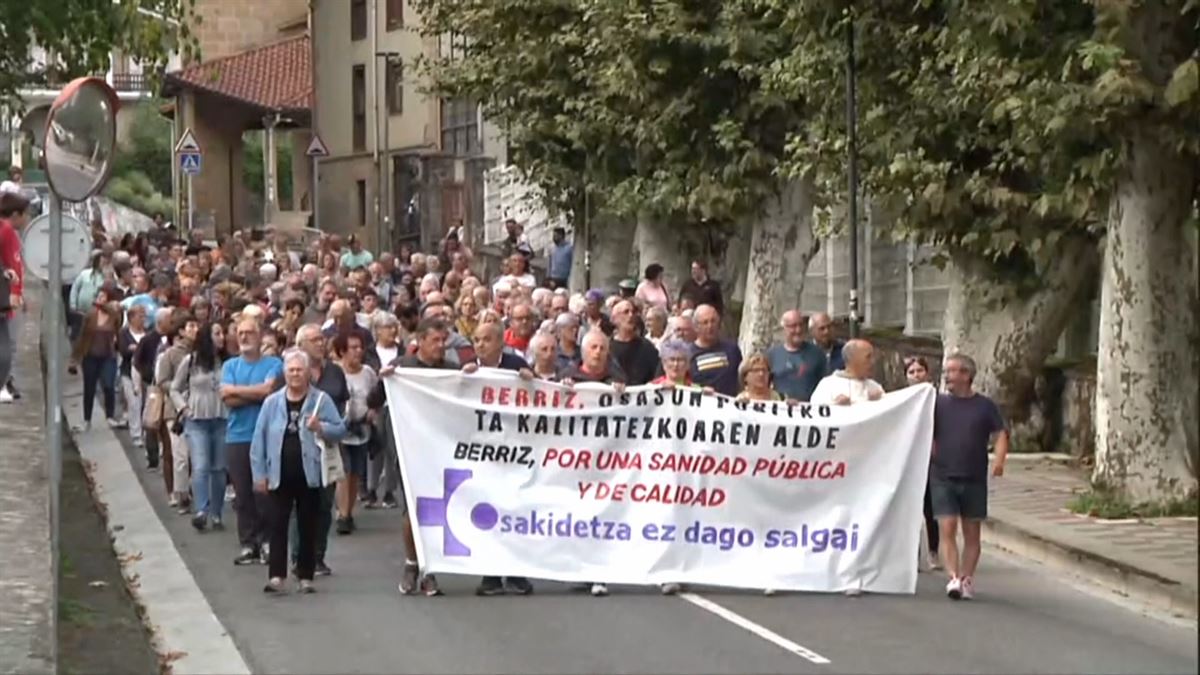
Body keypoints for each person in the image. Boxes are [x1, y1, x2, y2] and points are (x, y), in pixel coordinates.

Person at [251, 348, 347, 594]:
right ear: (285, 373)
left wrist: (321, 427)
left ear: (307, 374)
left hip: (310, 473)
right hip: (279, 473)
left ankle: (306, 575)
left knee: (308, 525)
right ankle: (276, 576)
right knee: (277, 524)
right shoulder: (272, 402)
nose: (295, 374)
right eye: (291, 370)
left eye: (299, 370)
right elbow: (259, 440)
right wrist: (259, 474)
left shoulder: (321, 401)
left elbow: (340, 430)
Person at [379, 318, 457, 597]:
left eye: (443, 341)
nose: (441, 346)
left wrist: (471, 377)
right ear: (420, 341)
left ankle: (430, 568)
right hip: (409, 448)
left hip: (441, 449)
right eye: (435, 340)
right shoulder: (403, 367)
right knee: (412, 510)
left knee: (438, 510)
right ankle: (412, 563)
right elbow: (379, 401)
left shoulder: (452, 370)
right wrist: (384, 378)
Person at [462, 321, 536, 596]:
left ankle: (516, 573)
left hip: (516, 452)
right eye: (476, 340)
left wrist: (531, 378)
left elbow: (542, 394)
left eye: (486, 340)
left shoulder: (515, 365)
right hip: (484, 454)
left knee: (514, 511)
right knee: (487, 511)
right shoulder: (470, 367)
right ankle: (490, 575)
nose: (480, 345)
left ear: (499, 343)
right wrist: (462, 378)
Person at [932, 353, 1008, 601]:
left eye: (952, 371)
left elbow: (999, 434)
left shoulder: (985, 406)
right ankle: (953, 577)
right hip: (942, 474)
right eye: (946, 372)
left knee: (971, 531)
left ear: (966, 375)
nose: (947, 376)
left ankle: (967, 578)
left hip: (973, 476)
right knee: (947, 526)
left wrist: (999, 460)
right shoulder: (937, 404)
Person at [560, 330, 626, 597]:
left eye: (602, 348)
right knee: (577, 515)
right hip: (573, 462)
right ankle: (580, 568)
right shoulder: (567, 377)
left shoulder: (618, 380)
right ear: (584, 351)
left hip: (606, 463)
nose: (598, 352)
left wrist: (623, 392)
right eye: (593, 347)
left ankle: (599, 572)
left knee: (602, 514)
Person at [221, 318, 285, 566]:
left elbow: (269, 392)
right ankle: (248, 543)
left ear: (260, 337)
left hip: (267, 436)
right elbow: (227, 398)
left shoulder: (274, 363)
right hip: (237, 436)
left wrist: (239, 392)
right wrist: (254, 394)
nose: (245, 337)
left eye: (250, 333)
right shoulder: (230, 365)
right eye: (241, 333)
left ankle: (268, 540)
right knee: (243, 493)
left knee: (266, 492)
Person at [292, 324, 348, 576]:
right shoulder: (292, 373)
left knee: (324, 505)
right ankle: (298, 556)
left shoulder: (335, 372)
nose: (320, 343)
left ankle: (318, 556)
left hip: (328, 447)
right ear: (301, 344)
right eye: (314, 339)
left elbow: (343, 402)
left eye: (322, 339)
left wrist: (329, 426)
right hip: (300, 448)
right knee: (300, 504)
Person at [171, 322, 229, 531]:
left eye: (223, 333)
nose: (222, 337)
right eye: (217, 333)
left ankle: (216, 512)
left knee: (220, 468)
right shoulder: (191, 361)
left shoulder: (227, 362)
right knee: (201, 465)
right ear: (207, 337)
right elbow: (174, 388)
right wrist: (183, 408)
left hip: (221, 418)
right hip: (196, 420)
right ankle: (202, 510)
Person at [333, 331, 378, 535]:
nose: (358, 351)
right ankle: (342, 514)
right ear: (342, 351)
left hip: (362, 429)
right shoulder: (335, 371)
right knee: (343, 472)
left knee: (355, 474)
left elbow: (377, 395)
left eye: (360, 347)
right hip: (341, 428)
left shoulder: (367, 372)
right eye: (353, 348)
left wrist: (373, 411)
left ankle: (348, 512)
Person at [156, 312, 197, 512]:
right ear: (181, 331)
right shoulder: (170, 355)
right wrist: (180, 386)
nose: (195, 330)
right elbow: (161, 381)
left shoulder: (202, 352)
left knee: (195, 456)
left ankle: (195, 491)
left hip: (198, 409)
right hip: (175, 412)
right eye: (190, 326)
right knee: (180, 456)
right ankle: (181, 496)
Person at [71, 285, 124, 432]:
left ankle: (110, 416)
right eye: (98, 297)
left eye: (103, 297)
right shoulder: (90, 315)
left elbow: (118, 334)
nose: (100, 300)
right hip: (90, 356)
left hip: (108, 356)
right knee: (89, 387)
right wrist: (75, 358)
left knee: (108, 385)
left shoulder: (115, 316)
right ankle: (86, 420)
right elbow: (82, 337)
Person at [905, 356, 940, 570]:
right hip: (909, 460)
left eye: (920, 371)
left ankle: (934, 551)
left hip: (931, 461)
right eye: (912, 371)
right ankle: (912, 554)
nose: (916, 375)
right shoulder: (900, 399)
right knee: (911, 511)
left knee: (931, 510)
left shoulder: (936, 398)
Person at [0, 190, 30, 404]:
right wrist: (16, 294)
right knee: (7, 344)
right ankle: (3, 383)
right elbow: (13, 264)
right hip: (6, 297)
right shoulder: (7, 231)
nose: (27, 218)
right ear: (16, 214)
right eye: (25, 214)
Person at [767, 310, 827, 402]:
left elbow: (826, 385)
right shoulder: (772, 355)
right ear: (784, 328)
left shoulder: (817, 353)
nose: (798, 330)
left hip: (809, 411)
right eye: (793, 326)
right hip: (781, 411)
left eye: (800, 325)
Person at [809, 339, 884, 406]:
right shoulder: (828, 385)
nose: (873, 362)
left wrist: (879, 402)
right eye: (868, 357)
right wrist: (835, 406)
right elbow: (816, 412)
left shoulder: (875, 387)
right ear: (853, 359)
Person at [688, 305, 742, 396]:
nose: (710, 326)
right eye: (705, 322)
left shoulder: (732, 349)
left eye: (713, 321)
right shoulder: (687, 353)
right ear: (696, 327)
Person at [118, 304, 148, 447]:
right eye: (140, 316)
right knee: (134, 402)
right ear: (131, 318)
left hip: (145, 373)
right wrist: (135, 349)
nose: (143, 319)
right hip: (128, 372)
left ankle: (146, 432)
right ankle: (136, 433)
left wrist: (136, 348)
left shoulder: (147, 333)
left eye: (144, 316)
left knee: (146, 403)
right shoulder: (124, 333)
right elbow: (124, 349)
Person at [610, 299, 660, 386]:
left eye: (633, 312)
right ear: (614, 319)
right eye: (626, 312)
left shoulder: (647, 348)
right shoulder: (607, 348)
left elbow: (657, 376)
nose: (631, 315)